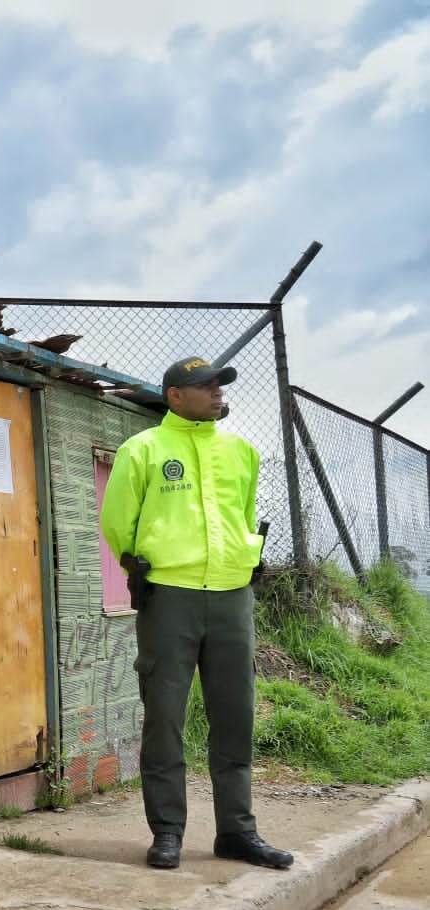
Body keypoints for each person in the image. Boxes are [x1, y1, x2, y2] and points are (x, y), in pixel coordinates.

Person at [99, 356, 293, 871]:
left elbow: (245, 517)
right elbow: (117, 522)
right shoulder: (143, 449)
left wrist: (244, 560)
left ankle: (237, 832)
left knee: (235, 715)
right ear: (175, 395)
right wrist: (140, 564)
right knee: (165, 717)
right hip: (170, 597)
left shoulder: (242, 452)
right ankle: (167, 832)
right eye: (205, 386)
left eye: (219, 386)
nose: (217, 393)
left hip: (232, 596)